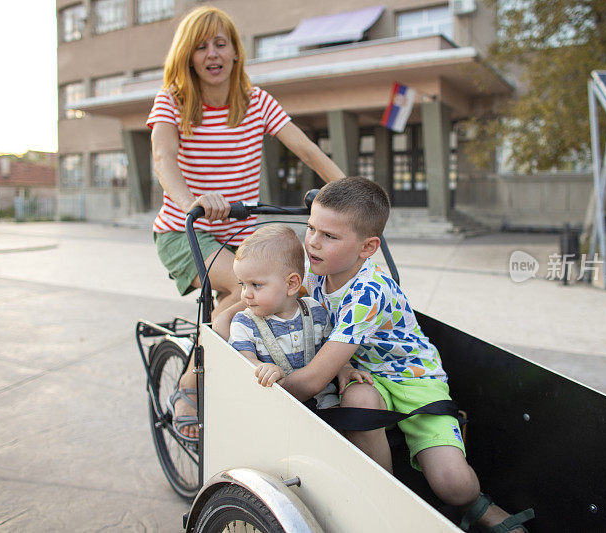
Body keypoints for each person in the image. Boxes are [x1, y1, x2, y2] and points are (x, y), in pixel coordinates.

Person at [272, 177, 534, 533]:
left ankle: (478, 504)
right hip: (368, 377)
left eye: (329, 236)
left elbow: (315, 379)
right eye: (311, 228)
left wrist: (264, 393)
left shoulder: (369, 291)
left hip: (414, 379)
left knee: (455, 484)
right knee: (359, 398)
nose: (313, 243)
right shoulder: (320, 272)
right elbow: (308, 316)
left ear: (368, 248)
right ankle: (388, 497)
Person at [147, 6, 344, 440]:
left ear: (236, 53)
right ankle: (190, 384)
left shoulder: (256, 102)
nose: (212, 53)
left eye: (221, 44)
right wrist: (192, 202)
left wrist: (354, 195)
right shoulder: (174, 100)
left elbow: (307, 150)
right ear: (188, 56)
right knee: (245, 290)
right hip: (185, 228)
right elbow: (163, 160)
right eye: (201, 46)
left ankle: (273, 372)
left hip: (241, 232)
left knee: (296, 287)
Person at [226, 224, 371, 409]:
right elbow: (242, 360)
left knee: (339, 431)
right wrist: (259, 367)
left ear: (292, 284)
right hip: (274, 405)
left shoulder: (315, 311)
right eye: (242, 284)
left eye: (256, 285)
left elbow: (330, 350)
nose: (246, 294)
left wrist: (345, 369)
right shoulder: (245, 323)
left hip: (324, 402)